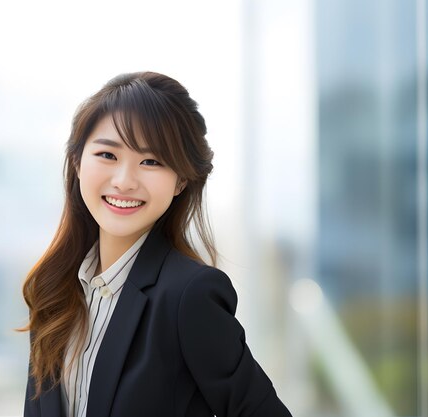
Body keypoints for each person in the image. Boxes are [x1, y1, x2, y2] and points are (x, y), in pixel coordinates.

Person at [21, 72, 292, 417]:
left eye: (151, 162)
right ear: (77, 162)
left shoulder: (189, 296)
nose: (124, 181)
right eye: (107, 155)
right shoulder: (54, 293)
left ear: (180, 181)